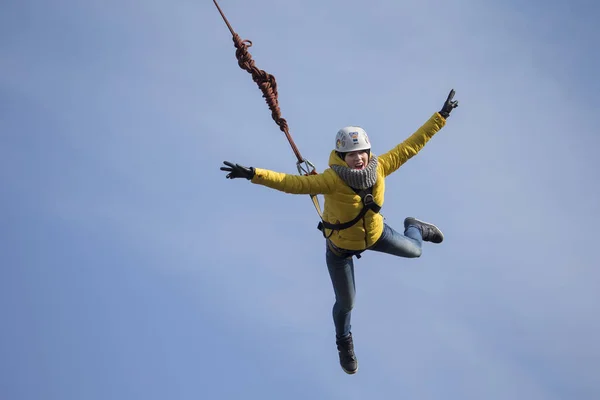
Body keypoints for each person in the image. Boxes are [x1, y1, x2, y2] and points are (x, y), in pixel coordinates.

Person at [220, 89, 459, 374]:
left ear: (368, 152)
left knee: (416, 250)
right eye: (350, 155)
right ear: (341, 156)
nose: (357, 159)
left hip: (377, 235)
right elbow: (291, 183)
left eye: (361, 153)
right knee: (347, 302)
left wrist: (440, 117)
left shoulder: (381, 166)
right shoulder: (330, 180)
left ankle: (414, 226)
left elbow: (412, 145)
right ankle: (344, 342)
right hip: (340, 250)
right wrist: (254, 174)